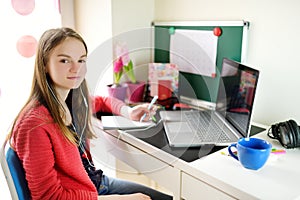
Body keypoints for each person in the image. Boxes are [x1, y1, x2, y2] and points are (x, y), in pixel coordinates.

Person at [7, 27, 172, 200]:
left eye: (81, 60)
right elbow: (49, 197)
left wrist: (128, 111)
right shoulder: (34, 124)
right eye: (65, 61)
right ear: (44, 65)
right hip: (83, 194)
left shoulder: (71, 99)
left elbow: (102, 102)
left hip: (94, 183)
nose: (75, 68)